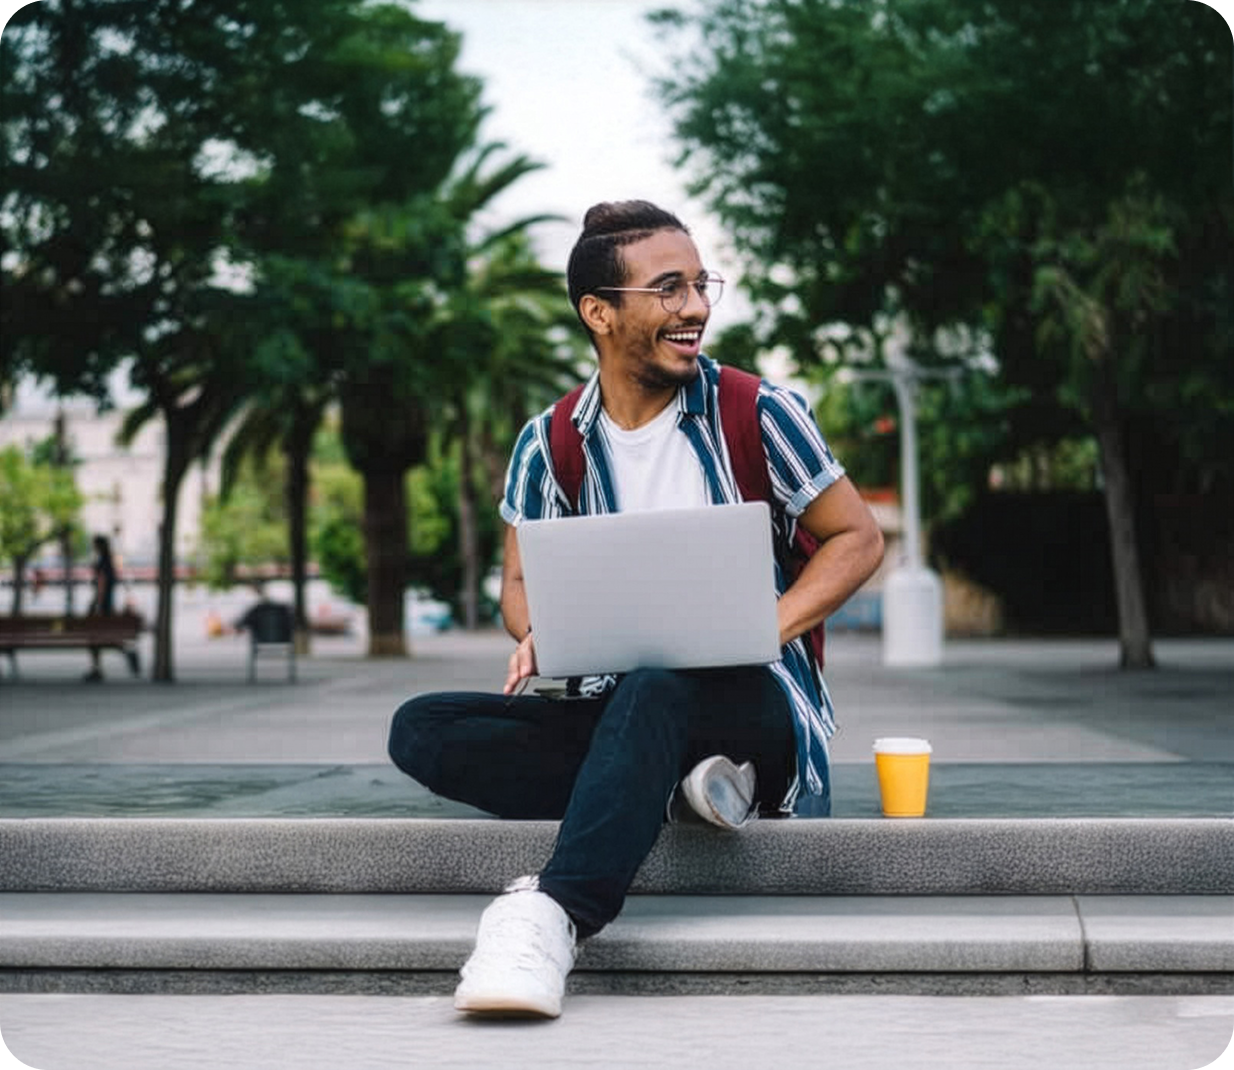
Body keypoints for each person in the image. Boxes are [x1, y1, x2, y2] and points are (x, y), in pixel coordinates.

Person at [387, 201, 884, 1018]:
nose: (695, 308)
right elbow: (517, 588)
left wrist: (763, 628)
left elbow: (857, 539)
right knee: (423, 726)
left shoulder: (759, 411)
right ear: (599, 311)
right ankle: (674, 786)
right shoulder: (548, 441)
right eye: (668, 289)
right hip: (617, 707)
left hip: (756, 710)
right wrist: (540, 629)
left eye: (699, 285)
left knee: (660, 684)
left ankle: (552, 918)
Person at [83, 534, 117, 682]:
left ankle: (96, 669)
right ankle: (96, 668)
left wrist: (96, 603)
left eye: (94, 544)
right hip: (106, 605)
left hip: (101, 607)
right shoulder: (109, 561)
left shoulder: (103, 562)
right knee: (95, 638)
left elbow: (101, 583)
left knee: (94, 638)